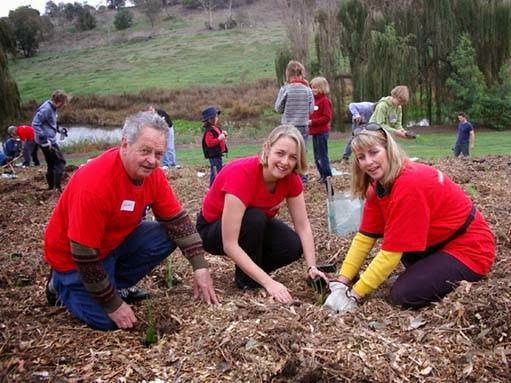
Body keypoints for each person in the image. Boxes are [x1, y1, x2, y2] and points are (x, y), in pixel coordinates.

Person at [42, 111, 219, 331]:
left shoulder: (152, 174)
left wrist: (199, 266)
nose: (152, 161)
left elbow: (177, 221)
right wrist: (112, 304)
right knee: (108, 321)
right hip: (74, 260)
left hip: (112, 245)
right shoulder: (95, 182)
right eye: (145, 151)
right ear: (125, 144)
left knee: (167, 234)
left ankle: (114, 284)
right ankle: (60, 286)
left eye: (158, 154)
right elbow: (84, 254)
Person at [323, 123, 495, 313]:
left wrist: (354, 295)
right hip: (435, 243)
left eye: (374, 152)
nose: (368, 162)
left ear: (389, 149)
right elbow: (365, 238)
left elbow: (391, 253)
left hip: (469, 248)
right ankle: (427, 273)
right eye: (361, 157)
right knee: (403, 261)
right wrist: (341, 282)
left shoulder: (409, 184)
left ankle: (440, 275)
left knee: (403, 295)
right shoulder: (378, 186)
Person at [196, 124, 328, 303]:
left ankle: (250, 269)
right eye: (280, 153)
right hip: (212, 231)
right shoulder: (241, 173)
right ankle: (248, 280)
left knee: (292, 245)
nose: (285, 162)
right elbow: (229, 244)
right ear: (267, 148)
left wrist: (312, 267)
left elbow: (303, 226)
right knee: (255, 218)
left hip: (252, 225)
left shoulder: (291, 180)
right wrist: (269, 283)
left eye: (292, 157)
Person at [274, 60, 314, 182]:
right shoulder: (307, 90)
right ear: (302, 73)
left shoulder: (286, 89)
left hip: (287, 126)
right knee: (301, 150)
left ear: (288, 74)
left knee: (286, 150)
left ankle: (288, 175)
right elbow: (311, 109)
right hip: (302, 125)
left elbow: (278, 108)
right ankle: (303, 176)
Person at [32, 90, 69, 192]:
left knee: (51, 164)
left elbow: (49, 124)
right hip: (47, 142)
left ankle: (51, 187)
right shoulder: (46, 109)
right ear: (59, 101)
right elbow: (35, 124)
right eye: (64, 102)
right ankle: (57, 188)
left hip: (48, 140)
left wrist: (59, 130)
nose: (64, 105)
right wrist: (44, 139)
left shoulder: (53, 108)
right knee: (60, 162)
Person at [309, 76, 333, 184]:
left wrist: (312, 122)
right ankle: (322, 174)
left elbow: (326, 117)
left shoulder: (324, 101)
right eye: (311, 87)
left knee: (322, 155)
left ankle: (327, 175)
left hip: (322, 132)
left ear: (321, 88)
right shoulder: (313, 101)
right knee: (316, 156)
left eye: (315, 87)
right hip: (314, 132)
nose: (312, 90)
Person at [201, 106, 228, 187]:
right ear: (210, 119)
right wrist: (219, 138)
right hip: (213, 155)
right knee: (216, 171)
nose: (217, 118)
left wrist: (223, 133)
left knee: (217, 170)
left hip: (218, 154)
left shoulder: (215, 128)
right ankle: (214, 186)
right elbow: (209, 143)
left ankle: (215, 186)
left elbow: (219, 134)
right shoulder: (209, 130)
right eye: (216, 117)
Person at [148, 105, 177, 169]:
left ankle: (172, 164)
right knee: (164, 147)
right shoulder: (151, 117)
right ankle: (166, 164)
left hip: (169, 129)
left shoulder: (160, 113)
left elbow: (164, 124)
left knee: (170, 147)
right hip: (162, 131)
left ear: (154, 109)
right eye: (149, 110)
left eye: (151, 109)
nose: (150, 111)